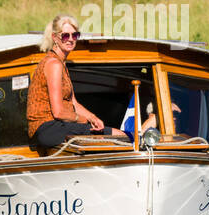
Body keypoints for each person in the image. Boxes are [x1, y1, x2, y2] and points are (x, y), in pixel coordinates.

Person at [26, 15, 131, 149]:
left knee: (116, 135)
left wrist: (93, 117)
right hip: (48, 128)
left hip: (57, 126)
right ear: (55, 38)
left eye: (74, 35)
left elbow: (73, 103)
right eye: (65, 36)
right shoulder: (53, 64)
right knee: (120, 136)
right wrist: (85, 121)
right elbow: (58, 112)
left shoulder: (61, 64)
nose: (70, 39)